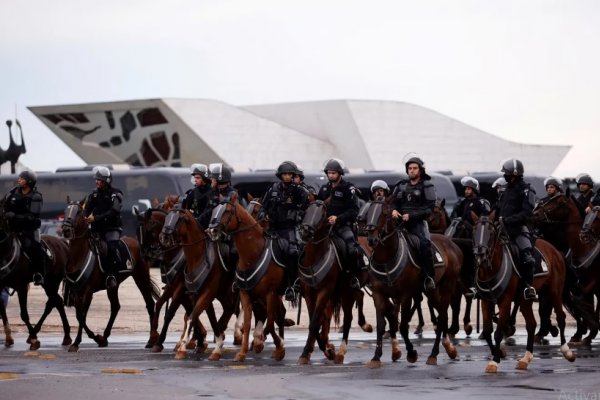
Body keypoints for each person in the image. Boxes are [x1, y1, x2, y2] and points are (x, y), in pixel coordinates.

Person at [259, 161, 308, 301]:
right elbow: (264, 206)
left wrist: (296, 214)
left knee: (293, 252)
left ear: (293, 175)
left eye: (289, 174)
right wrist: (263, 214)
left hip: (290, 229)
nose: (287, 176)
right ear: (280, 175)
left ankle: (292, 285)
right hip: (272, 228)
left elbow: (305, 209)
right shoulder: (272, 189)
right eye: (284, 174)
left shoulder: (299, 191)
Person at [391, 157, 437, 292]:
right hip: (398, 223)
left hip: (417, 224)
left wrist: (411, 216)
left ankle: (429, 277)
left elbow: (429, 209)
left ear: (421, 170)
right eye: (410, 168)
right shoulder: (400, 185)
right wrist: (394, 210)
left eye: (414, 168)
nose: (412, 170)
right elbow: (393, 202)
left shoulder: (427, 186)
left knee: (424, 245)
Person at [496, 159, 538, 301]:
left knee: (528, 258)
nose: (504, 176)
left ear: (514, 174)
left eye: (506, 174)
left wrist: (509, 220)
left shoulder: (527, 189)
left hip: (519, 230)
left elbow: (527, 213)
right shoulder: (506, 189)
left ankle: (528, 287)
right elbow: (499, 210)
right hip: (501, 229)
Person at [317, 158, 362, 289]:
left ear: (340, 173)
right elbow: (318, 207)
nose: (331, 175)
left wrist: (338, 218)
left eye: (334, 173)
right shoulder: (324, 188)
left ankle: (353, 277)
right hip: (325, 227)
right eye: (329, 173)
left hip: (343, 226)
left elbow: (354, 210)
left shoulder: (348, 188)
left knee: (352, 250)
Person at [84, 166, 124, 289]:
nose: (97, 181)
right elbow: (87, 209)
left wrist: (96, 218)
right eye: (96, 179)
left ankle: (112, 275)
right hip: (96, 229)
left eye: (99, 179)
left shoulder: (116, 194)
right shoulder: (93, 194)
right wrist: (84, 217)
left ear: (106, 180)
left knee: (111, 248)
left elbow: (113, 212)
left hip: (111, 229)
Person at [449, 176, 490, 297]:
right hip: (460, 237)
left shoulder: (482, 202)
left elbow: (485, 220)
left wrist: (469, 225)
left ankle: (473, 282)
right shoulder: (462, 203)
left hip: (475, 238)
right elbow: (454, 217)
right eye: (465, 189)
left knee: (470, 257)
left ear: (475, 190)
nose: (466, 191)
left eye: (469, 189)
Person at [3, 170, 45, 285]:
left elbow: (32, 216)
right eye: (19, 178)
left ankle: (38, 273)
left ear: (29, 182)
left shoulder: (36, 196)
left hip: (29, 230)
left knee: (34, 248)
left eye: (22, 179)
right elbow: (4, 205)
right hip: (12, 228)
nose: (19, 180)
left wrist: (14, 216)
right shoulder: (12, 192)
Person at [181, 164, 218, 229]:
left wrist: (197, 220)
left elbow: (210, 209)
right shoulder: (192, 192)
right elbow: (185, 209)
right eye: (195, 178)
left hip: (208, 227)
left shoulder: (213, 192)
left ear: (204, 178)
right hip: (193, 226)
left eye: (198, 178)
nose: (195, 180)